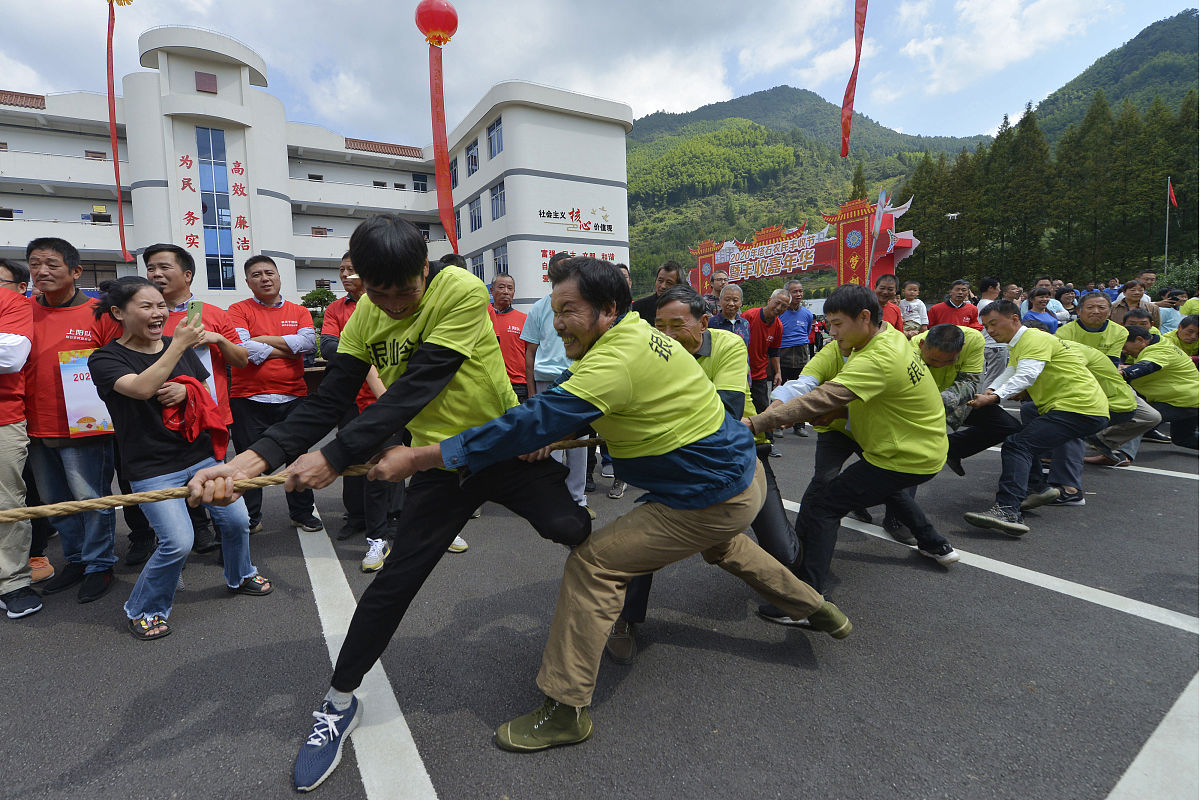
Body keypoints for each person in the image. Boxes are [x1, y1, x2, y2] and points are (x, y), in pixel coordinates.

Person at [354, 256, 849, 755]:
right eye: (554, 310)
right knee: (725, 547)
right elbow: (574, 411)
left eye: (570, 310)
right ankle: (819, 608)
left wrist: (421, 455)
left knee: (595, 563)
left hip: (709, 496)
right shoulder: (637, 336)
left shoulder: (614, 358)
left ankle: (565, 710)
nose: (559, 322)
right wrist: (555, 428)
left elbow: (533, 420)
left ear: (609, 308)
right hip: (736, 479)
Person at [186, 215, 591, 788]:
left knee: (570, 528)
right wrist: (249, 462)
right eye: (382, 293)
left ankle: (622, 581)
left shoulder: (460, 290)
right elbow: (328, 402)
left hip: (498, 445)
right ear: (358, 280)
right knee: (395, 582)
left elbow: (417, 385)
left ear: (424, 271)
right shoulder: (363, 319)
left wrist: (331, 458)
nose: (397, 306)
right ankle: (338, 700)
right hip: (439, 465)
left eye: (406, 291)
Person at [607, 285, 809, 662]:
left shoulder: (728, 344)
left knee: (783, 550)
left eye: (676, 325)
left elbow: (727, 411)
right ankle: (625, 618)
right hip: (680, 464)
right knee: (638, 540)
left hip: (737, 457)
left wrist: (654, 417)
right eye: (658, 326)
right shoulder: (648, 350)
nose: (664, 336)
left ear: (703, 323)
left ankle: (807, 575)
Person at [88, 277, 273, 640]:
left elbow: (202, 390)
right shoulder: (106, 358)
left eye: (161, 305)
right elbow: (140, 388)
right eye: (146, 306)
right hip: (151, 467)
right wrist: (177, 348)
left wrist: (185, 390)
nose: (158, 313)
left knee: (237, 521)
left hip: (200, 456)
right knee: (178, 542)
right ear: (118, 313)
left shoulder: (178, 344)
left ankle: (241, 574)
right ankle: (144, 609)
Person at [749, 284, 961, 595]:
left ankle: (805, 596)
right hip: (895, 442)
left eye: (836, 324)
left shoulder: (877, 356)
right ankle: (933, 542)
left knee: (824, 503)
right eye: (829, 324)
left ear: (864, 317)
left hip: (902, 452)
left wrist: (754, 423)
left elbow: (818, 399)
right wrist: (831, 414)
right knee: (872, 489)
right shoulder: (885, 336)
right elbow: (805, 386)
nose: (831, 333)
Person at [23, 238, 123, 602]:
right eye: (35, 264)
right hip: (34, 426)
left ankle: (100, 564)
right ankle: (77, 559)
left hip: (86, 425)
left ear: (76, 271)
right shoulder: (23, 311)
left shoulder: (101, 312)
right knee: (56, 503)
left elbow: (121, 362)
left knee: (91, 499)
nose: (41, 272)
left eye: (51, 264)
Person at [963, 301, 1108, 536]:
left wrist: (994, 397)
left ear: (1014, 318)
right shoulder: (1018, 344)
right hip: (1078, 408)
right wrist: (990, 391)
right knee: (1022, 442)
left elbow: (1027, 375)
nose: (989, 331)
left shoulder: (1033, 339)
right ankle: (1037, 489)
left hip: (1078, 407)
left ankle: (1008, 510)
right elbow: (1011, 371)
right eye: (986, 326)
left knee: (1018, 445)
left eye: (994, 323)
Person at [145, 243, 249, 557]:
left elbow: (242, 359)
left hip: (210, 415)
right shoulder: (144, 315)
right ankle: (195, 532)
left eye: (164, 267)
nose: (156, 274)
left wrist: (218, 339)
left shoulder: (215, 314)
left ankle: (227, 543)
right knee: (177, 479)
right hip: (159, 416)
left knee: (217, 479)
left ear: (187, 274)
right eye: (151, 268)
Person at [227, 255, 322, 534]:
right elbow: (243, 350)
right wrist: (287, 348)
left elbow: (307, 345)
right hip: (248, 398)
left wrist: (263, 340)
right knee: (249, 458)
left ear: (279, 277)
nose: (264, 278)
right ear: (247, 282)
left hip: (293, 396)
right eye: (256, 275)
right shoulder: (237, 310)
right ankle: (252, 517)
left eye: (269, 273)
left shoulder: (299, 311)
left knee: (297, 457)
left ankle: (302, 513)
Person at [321, 251, 404, 569]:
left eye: (352, 269)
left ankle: (393, 518)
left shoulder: (388, 306)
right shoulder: (334, 309)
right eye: (341, 270)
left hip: (391, 397)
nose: (345, 275)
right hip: (352, 400)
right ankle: (357, 517)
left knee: (393, 459)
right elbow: (328, 347)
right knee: (352, 459)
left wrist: (352, 347)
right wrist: (357, 350)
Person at [522, 252, 593, 522]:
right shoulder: (539, 308)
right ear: (550, 277)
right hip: (546, 381)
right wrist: (531, 392)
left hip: (578, 379)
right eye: (560, 272)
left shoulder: (584, 308)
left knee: (580, 441)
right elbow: (530, 352)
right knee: (549, 442)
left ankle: (578, 498)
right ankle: (552, 498)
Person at [0, 258, 37, 619]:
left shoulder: (12, 302)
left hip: (3, 419)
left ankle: (13, 581)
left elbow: (10, 357)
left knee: (7, 503)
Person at [1120, 326, 1199, 449]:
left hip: (1182, 401)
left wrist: (1125, 372)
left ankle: (1120, 453)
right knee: (1183, 438)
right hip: (1189, 399)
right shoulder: (1159, 343)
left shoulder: (1160, 350)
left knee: (1140, 418)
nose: (1124, 351)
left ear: (1140, 340)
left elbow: (1147, 366)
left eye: (1124, 347)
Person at [742, 289, 787, 455]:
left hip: (760, 373)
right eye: (778, 303)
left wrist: (778, 372)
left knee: (763, 407)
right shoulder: (749, 316)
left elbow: (774, 351)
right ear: (769, 300)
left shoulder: (778, 325)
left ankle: (768, 443)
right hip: (741, 372)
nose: (779, 307)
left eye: (784, 306)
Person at [777, 280, 814, 436]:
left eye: (800, 291)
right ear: (787, 294)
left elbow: (806, 333)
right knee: (779, 390)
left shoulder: (807, 313)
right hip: (783, 353)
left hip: (801, 354)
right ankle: (777, 425)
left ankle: (799, 426)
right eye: (794, 291)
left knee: (801, 392)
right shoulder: (780, 312)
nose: (798, 294)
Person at [489, 272, 528, 401]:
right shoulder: (483, 317)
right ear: (492, 291)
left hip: (518, 385)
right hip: (490, 383)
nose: (506, 291)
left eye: (510, 288)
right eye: (501, 287)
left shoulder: (524, 319)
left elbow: (531, 355)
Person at [1057, 292, 1127, 364]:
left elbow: (1112, 361)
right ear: (1078, 311)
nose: (1096, 312)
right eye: (1090, 307)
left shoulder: (1120, 332)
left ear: (1109, 311)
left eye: (1101, 308)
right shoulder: (1063, 332)